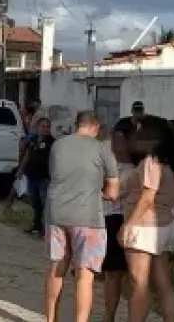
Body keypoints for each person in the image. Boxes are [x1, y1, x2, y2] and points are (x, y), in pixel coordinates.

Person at [43, 111, 120, 322]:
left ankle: (50, 319)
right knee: (84, 275)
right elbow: (113, 192)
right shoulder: (102, 149)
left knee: (57, 267)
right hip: (88, 217)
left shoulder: (58, 145)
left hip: (56, 213)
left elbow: (55, 176)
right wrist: (98, 192)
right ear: (96, 127)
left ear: (76, 125)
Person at [121, 117, 174, 322]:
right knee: (163, 284)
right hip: (165, 224)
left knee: (139, 284)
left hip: (144, 228)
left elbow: (148, 195)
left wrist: (128, 224)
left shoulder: (152, 161)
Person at [102, 127, 135, 322]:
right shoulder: (110, 164)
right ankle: (109, 315)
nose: (114, 145)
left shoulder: (133, 171)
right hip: (108, 218)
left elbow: (111, 193)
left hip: (122, 219)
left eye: (119, 141)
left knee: (125, 274)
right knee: (111, 272)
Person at [21, 117, 57, 236]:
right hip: (32, 175)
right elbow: (27, 155)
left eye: (47, 127)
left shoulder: (52, 142)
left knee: (44, 203)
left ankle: (46, 229)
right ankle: (36, 225)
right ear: (37, 127)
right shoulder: (33, 140)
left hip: (44, 177)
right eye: (43, 126)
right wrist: (21, 170)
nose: (45, 129)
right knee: (35, 202)